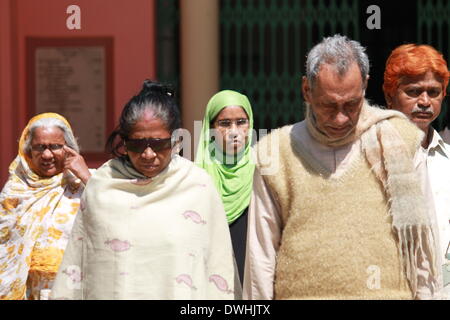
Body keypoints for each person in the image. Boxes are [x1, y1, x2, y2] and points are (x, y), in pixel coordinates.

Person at [243, 34, 440, 300]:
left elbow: (421, 254)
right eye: (328, 105)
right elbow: (260, 258)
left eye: (351, 104)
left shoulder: (398, 142)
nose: (340, 118)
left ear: (365, 87)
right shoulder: (276, 153)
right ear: (306, 91)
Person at [50, 80, 240, 300]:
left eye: (158, 144)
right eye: (137, 145)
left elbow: (218, 264)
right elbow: (80, 262)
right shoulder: (102, 185)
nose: (148, 154)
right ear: (124, 142)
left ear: (176, 139)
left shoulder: (198, 187)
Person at [383, 44, 450, 298]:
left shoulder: (448, 160)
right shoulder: (367, 155)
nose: (424, 101)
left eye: (433, 92)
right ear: (390, 95)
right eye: (413, 91)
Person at [0, 113, 91, 300]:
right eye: (39, 147)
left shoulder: (85, 185)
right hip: (28, 292)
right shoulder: (15, 192)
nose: (47, 155)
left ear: (69, 149)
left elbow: (114, 215)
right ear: (28, 151)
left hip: (74, 290)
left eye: (55, 147)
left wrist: (87, 177)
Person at [195, 90, 255, 284]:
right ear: (210, 128)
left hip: (253, 276)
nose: (234, 132)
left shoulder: (263, 171)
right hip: (208, 275)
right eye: (224, 123)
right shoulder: (195, 176)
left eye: (241, 122)